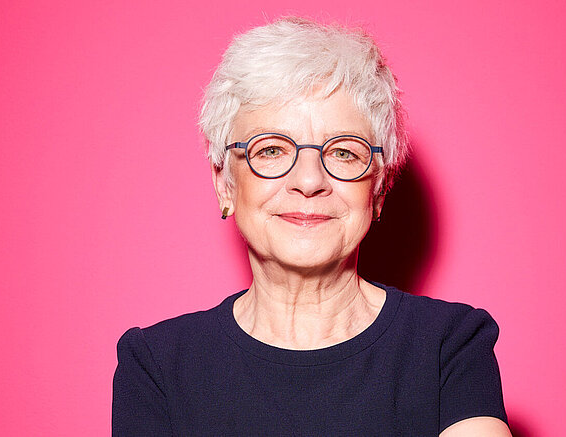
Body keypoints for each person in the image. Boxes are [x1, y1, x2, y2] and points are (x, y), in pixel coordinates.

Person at [112, 17, 511, 436]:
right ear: (225, 184)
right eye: (271, 149)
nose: (308, 181)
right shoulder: (155, 364)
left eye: (343, 152)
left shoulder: (451, 345)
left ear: (379, 189)